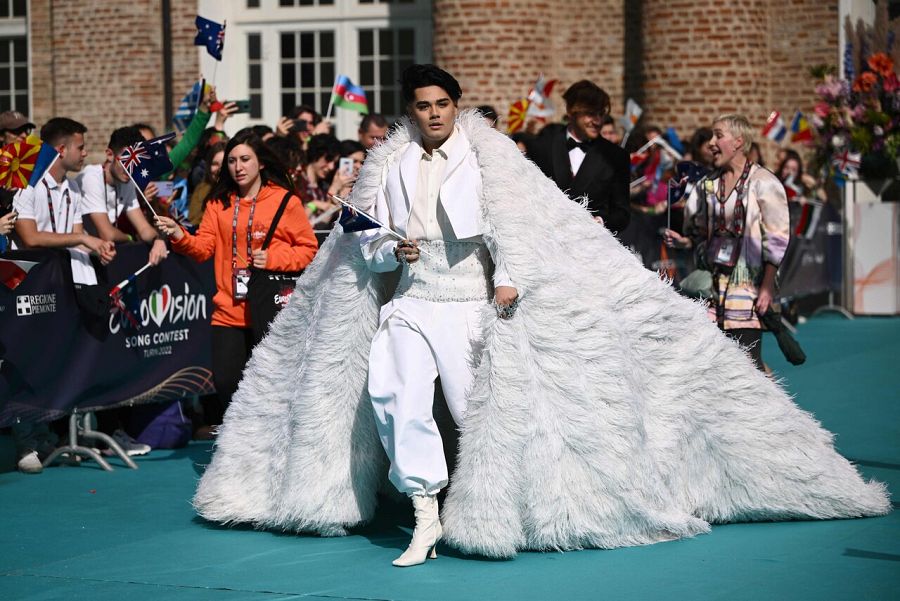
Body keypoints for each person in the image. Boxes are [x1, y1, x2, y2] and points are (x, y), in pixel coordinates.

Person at [193, 67, 889, 567]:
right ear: (411, 110)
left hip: (467, 300)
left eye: (442, 104)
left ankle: (493, 505)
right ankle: (426, 512)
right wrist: (386, 248)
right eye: (423, 105)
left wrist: (509, 279)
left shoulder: (488, 158)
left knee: (473, 404)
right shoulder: (390, 163)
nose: (432, 114)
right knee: (393, 395)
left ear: (455, 106)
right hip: (410, 297)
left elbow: (516, 226)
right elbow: (363, 239)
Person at [154, 130, 318, 430]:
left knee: (272, 388)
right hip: (228, 310)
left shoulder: (285, 201)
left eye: (245, 159)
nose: (238, 167)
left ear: (261, 163)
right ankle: (243, 442)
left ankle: (270, 442)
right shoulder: (218, 203)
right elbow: (203, 249)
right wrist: (179, 234)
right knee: (227, 383)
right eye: (231, 161)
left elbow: (309, 250)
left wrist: (274, 258)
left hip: (270, 309)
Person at [11, 117, 116, 473]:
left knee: (53, 359)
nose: (85, 153)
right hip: (25, 288)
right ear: (61, 149)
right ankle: (26, 440)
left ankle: (48, 437)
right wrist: (84, 238)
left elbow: (74, 235)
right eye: (80, 147)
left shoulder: (70, 189)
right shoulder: (28, 186)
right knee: (26, 362)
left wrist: (97, 247)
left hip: (62, 287)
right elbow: (30, 237)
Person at [664, 114, 790, 369]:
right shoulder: (707, 185)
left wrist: (767, 286)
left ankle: (766, 395)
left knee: (748, 365)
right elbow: (698, 233)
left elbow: (778, 238)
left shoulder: (764, 182)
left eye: (718, 136)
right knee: (709, 362)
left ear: (738, 142)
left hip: (747, 288)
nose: (711, 143)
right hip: (710, 287)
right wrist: (684, 242)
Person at [525, 80, 630, 233]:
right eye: (590, 114)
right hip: (544, 237)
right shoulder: (544, 144)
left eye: (601, 114)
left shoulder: (616, 156)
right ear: (570, 111)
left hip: (591, 241)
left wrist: (600, 221)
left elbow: (622, 213)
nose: (598, 121)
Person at [79, 126, 168, 266]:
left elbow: (144, 229)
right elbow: (107, 234)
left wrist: (158, 240)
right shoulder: (91, 177)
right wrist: (129, 237)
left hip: (102, 256)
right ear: (110, 155)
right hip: (78, 257)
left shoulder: (127, 181)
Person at [187, 142, 225, 227]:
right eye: (215, 164)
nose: (219, 169)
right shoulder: (201, 188)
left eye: (224, 164)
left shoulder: (237, 193)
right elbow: (192, 220)